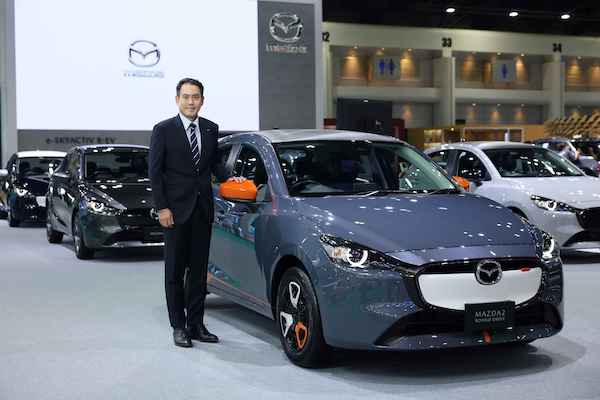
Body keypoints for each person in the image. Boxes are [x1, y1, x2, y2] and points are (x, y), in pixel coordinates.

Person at [149, 78, 239, 348]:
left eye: (195, 97)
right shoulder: (163, 130)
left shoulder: (211, 129)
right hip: (174, 212)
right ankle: (178, 326)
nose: (191, 102)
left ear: (202, 100)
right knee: (175, 272)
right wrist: (162, 207)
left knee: (199, 272)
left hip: (202, 210)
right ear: (177, 99)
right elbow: (155, 173)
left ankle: (196, 324)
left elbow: (213, 165)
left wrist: (229, 178)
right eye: (186, 97)